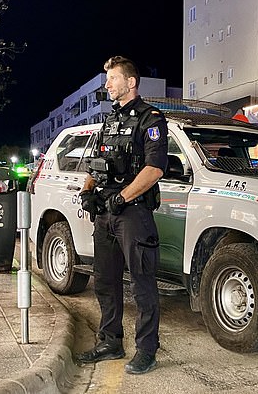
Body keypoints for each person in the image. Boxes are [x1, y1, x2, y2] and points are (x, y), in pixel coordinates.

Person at [76, 56, 169, 374]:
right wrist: (88, 191)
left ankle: (146, 350)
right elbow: (97, 162)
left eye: (112, 78)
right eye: (107, 79)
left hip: (133, 215)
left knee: (142, 284)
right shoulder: (110, 120)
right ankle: (110, 342)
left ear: (130, 82)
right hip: (106, 214)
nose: (107, 84)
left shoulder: (151, 119)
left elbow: (155, 168)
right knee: (105, 281)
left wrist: (122, 198)